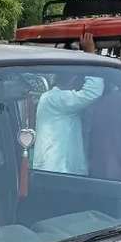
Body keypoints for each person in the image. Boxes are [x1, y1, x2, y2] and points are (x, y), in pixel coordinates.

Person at [33, 33, 104, 175]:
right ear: (74, 77)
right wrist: (90, 54)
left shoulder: (55, 100)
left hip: (60, 173)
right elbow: (92, 91)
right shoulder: (55, 100)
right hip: (56, 174)